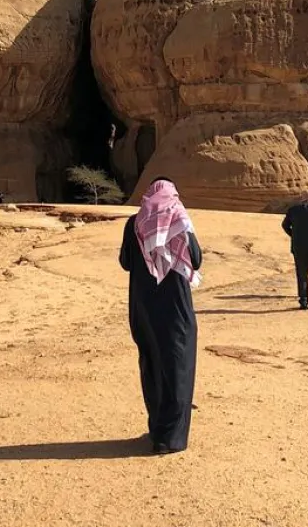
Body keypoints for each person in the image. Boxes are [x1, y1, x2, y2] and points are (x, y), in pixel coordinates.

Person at [118, 177, 203, 453]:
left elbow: (125, 262)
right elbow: (196, 259)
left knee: (152, 363)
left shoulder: (134, 223)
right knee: (178, 364)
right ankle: (171, 437)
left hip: (144, 305)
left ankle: (157, 429)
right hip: (175, 307)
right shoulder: (179, 218)